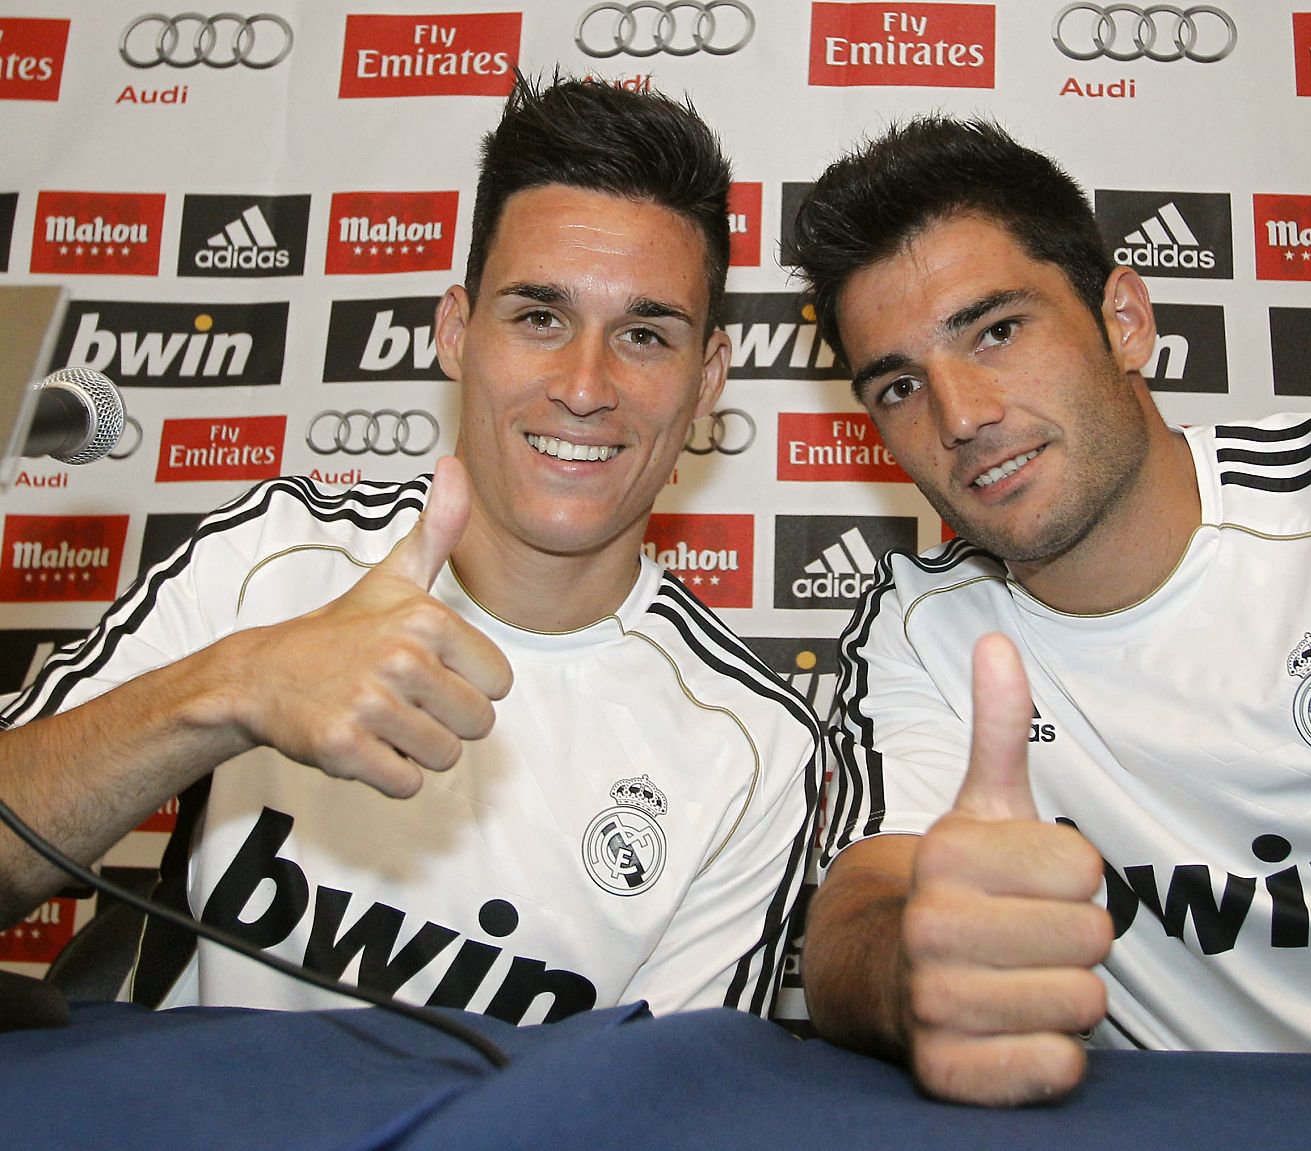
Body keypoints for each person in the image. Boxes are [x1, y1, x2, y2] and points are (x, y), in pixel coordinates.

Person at [786, 116, 1311, 1105]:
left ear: (1123, 318)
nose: (959, 416)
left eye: (996, 330)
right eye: (900, 385)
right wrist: (918, 968)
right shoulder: (920, 628)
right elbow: (860, 913)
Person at [0, 75, 820, 1024]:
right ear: (455, 332)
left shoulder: (752, 748)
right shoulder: (275, 553)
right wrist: (232, 687)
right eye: (539, 317)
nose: (585, 386)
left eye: (643, 333)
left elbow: (652, 1113)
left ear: (707, 376)